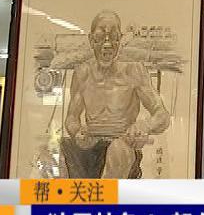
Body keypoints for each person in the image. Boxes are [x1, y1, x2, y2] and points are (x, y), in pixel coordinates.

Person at [61, 10, 170, 178]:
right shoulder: (82, 73)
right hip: (89, 144)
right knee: (60, 151)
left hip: (122, 143)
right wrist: (76, 131)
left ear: (120, 39)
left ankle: (105, 196)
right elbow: (71, 118)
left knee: (118, 150)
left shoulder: (133, 70)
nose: (107, 44)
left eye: (113, 37)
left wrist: (144, 126)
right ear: (91, 40)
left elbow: (162, 115)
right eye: (100, 37)